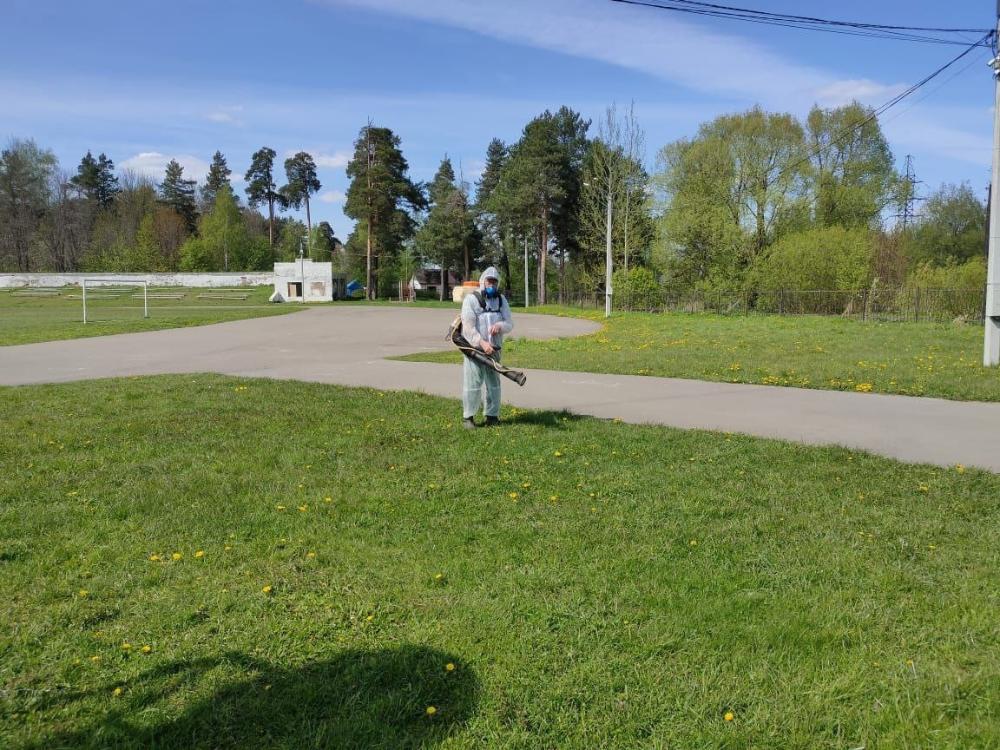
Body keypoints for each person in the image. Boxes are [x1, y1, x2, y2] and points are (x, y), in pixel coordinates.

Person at [460, 266, 514, 428]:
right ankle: (468, 417)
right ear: (483, 282)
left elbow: (509, 323)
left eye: (495, 282)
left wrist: (500, 326)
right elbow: (468, 328)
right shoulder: (471, 300)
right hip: (475, 351)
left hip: (495, 350)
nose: (492, 284)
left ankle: (492, 416)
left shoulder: (501, 300)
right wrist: (482, 343)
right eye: (489, 281)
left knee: (493, 384)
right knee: (472, 384)